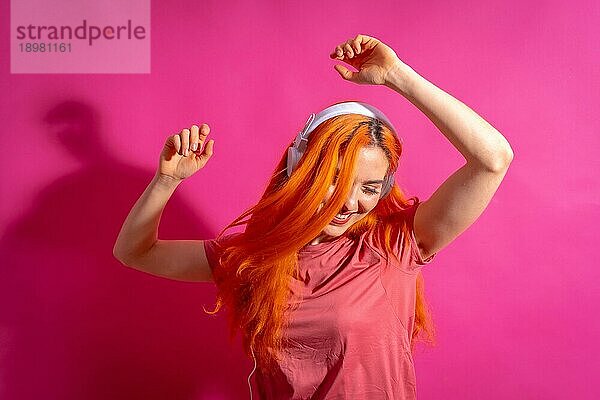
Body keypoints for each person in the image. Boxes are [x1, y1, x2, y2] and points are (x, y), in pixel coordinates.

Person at [113, 34, 513, 399]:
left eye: (370, 188)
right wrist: (166, 181)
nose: (349, 203)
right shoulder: (253, 258)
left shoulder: (394, 246)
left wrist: (396, 76)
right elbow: (135, 252)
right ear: (301, 173)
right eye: (335, 183)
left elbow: (492, 160)